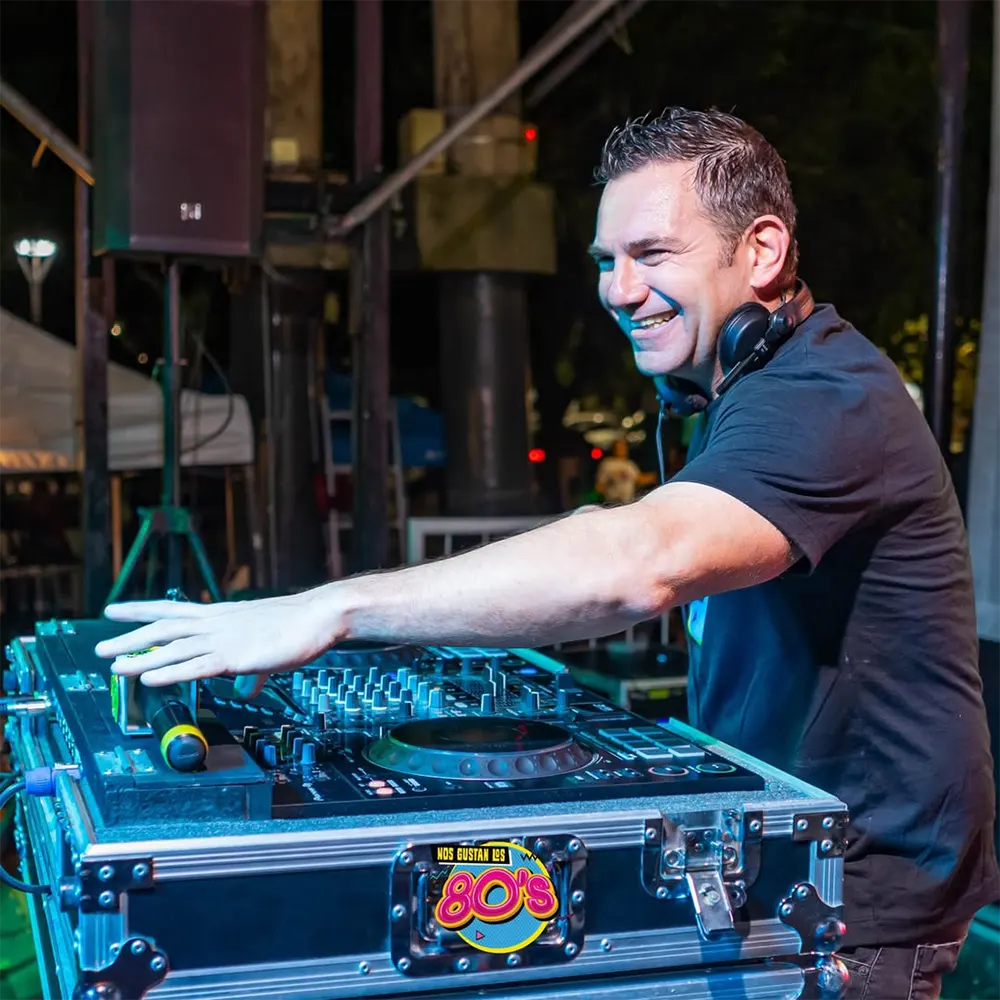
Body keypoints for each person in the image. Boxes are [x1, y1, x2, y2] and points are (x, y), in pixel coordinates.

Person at [95, 108, 998, 999]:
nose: (616, 289)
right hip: (786, 862)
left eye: (652, 254)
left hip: (856, 901)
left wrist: (334, 609)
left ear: (760, 251)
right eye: (607, 261)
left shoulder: (825, 396)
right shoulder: (736, 393)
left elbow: (636, 562)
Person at [595, 437, 657, 504]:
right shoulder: (607, 464)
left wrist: (654, 477)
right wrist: (611, 478)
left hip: (628, 503)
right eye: (619, 447)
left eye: (623, 447)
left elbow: (639, 479)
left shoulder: (630, 464)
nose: (621, 449)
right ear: (614, 448)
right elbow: (599, 487)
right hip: (612, 504)